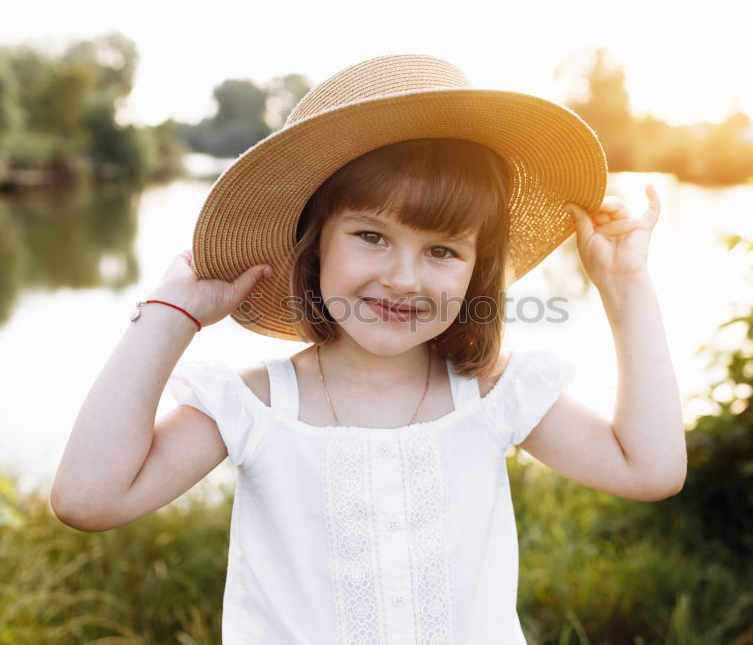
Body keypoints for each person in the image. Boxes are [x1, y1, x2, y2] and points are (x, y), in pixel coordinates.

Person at [51, 54, 687, 644]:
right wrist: (170, 316)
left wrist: (625, 286)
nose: (405, 278)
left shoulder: (493, 393)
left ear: (475, 271)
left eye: (442, 250)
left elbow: (649, 469)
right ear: (315, 240)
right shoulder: (257, 405)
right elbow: (89, 498)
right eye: (371, 235)